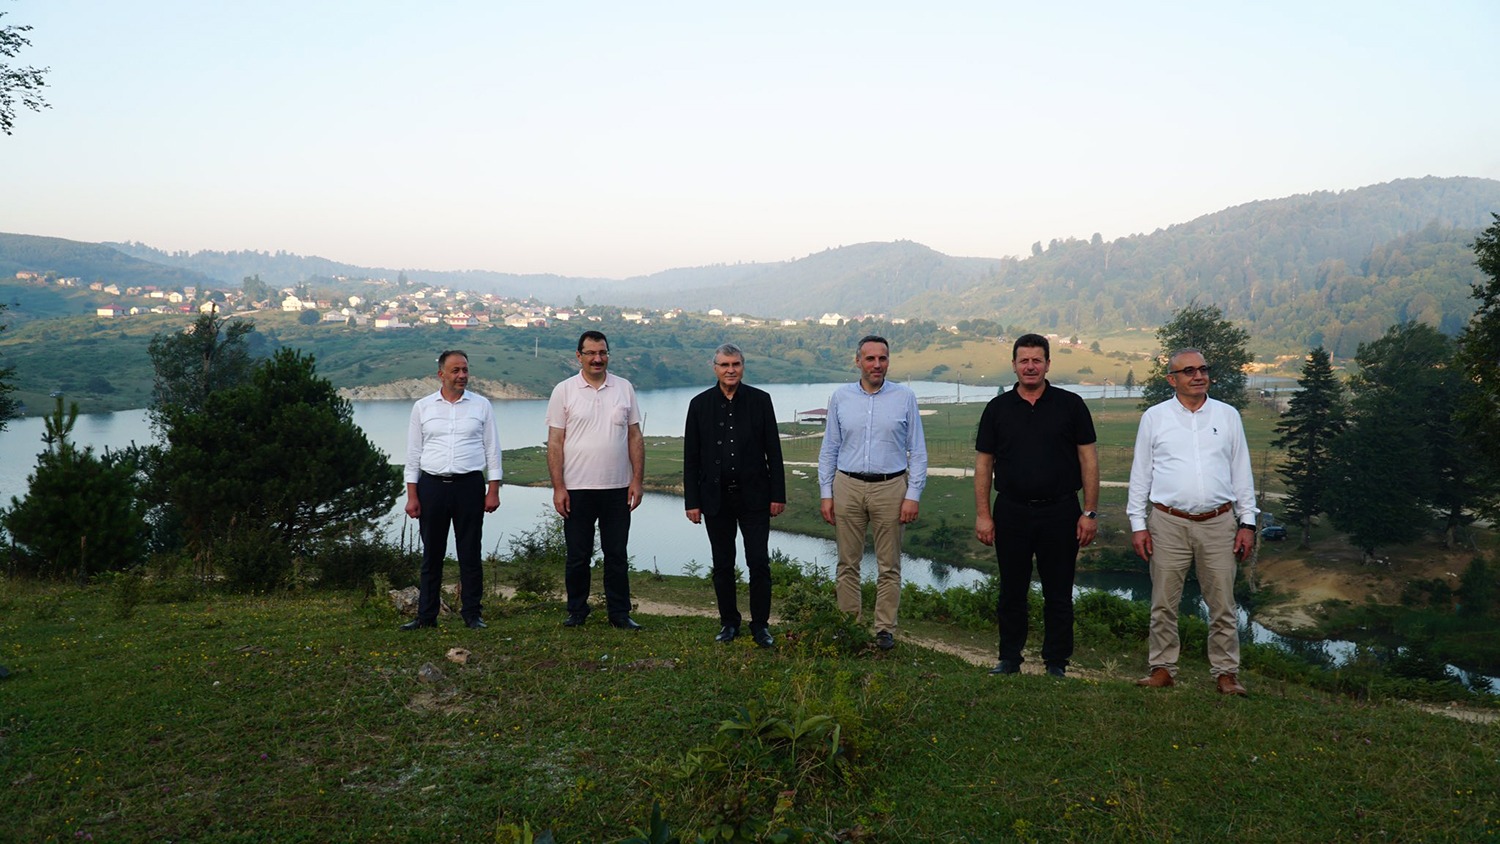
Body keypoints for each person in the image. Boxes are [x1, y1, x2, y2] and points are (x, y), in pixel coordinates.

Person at [1126, 348, 1258, 696]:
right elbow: (1141, 473)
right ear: (1172, 379)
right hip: (1168, 523)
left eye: (1203, 369)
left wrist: (1247, 522)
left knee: (1223, 603)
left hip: (1219, 523)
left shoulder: (1228, 416)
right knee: (1164, 602)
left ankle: (1226, 673)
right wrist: (1138, 524)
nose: (1198, 376)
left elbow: (1241, 472)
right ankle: (1162, 668)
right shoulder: (1155, 418)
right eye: (1189, 371)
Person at [974, 334, 1099, 678]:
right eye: (1024, 360)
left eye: (1037, 360)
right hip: (1011, 511)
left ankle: (1056, 663)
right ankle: (1009, 658)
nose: (1030, 366)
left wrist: (1089, 512)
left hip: (1060, 511)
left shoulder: (1071, 405)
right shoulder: (997, 409)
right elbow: (984, 465)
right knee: (1011, 590)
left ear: (1047, 364)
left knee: (1058, 592)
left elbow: (1089, 461)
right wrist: (984, 515)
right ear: (1014, 365)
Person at [817, 335, 928, 651]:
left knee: (889, 565)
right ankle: (848, 625)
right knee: (846, 563)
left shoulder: (904, 397)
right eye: (870, 359)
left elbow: (917, 450)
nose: (877, 364)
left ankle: (884, 629)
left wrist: (913, 495)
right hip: (847, 485)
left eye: (883, 358)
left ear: (888, 361)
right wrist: (827, 493)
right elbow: (830, 448)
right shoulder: (840, 397)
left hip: (891, 487)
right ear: (858, 361)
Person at [683, 343, 787, 648]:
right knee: (723, 563)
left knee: (758, 562)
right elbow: (691, 457)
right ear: (714, 368)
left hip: (754, 497)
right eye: (725, 364)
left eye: (736, 364)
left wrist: (777, 494)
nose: (731, 370)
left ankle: (760, 626)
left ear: (743, 366)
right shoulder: (699, 404)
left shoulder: (760, 401)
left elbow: (774, 453)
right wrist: (692, 501)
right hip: (715, 499)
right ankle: (729, 622)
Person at [547, 330, 646, 630]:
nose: (597, 358)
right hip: (576, 488)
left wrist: (637, 481)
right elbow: (555, 442)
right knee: (578, 555)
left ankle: (619, 613)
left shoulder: (624, 388)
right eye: (590, 353)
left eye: (602, 352)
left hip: (617, 487)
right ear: (578, 356)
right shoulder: (563, 391)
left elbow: (634, 436)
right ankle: (577, 611)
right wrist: (559, 487)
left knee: (616, 554)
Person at [401, 349, 502, 631]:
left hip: (469, 486)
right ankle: (426, 616)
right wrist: (412, 496)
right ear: (441, 374)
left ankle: (472, 614)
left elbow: (492, 450)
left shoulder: (482, 406)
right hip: (431, 486)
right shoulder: (423, 407)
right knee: (432, 554)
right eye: (456, 371)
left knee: (470, 552)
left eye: (465, 370)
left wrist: (492, 489)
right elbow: (413, 454)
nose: (462, 376)